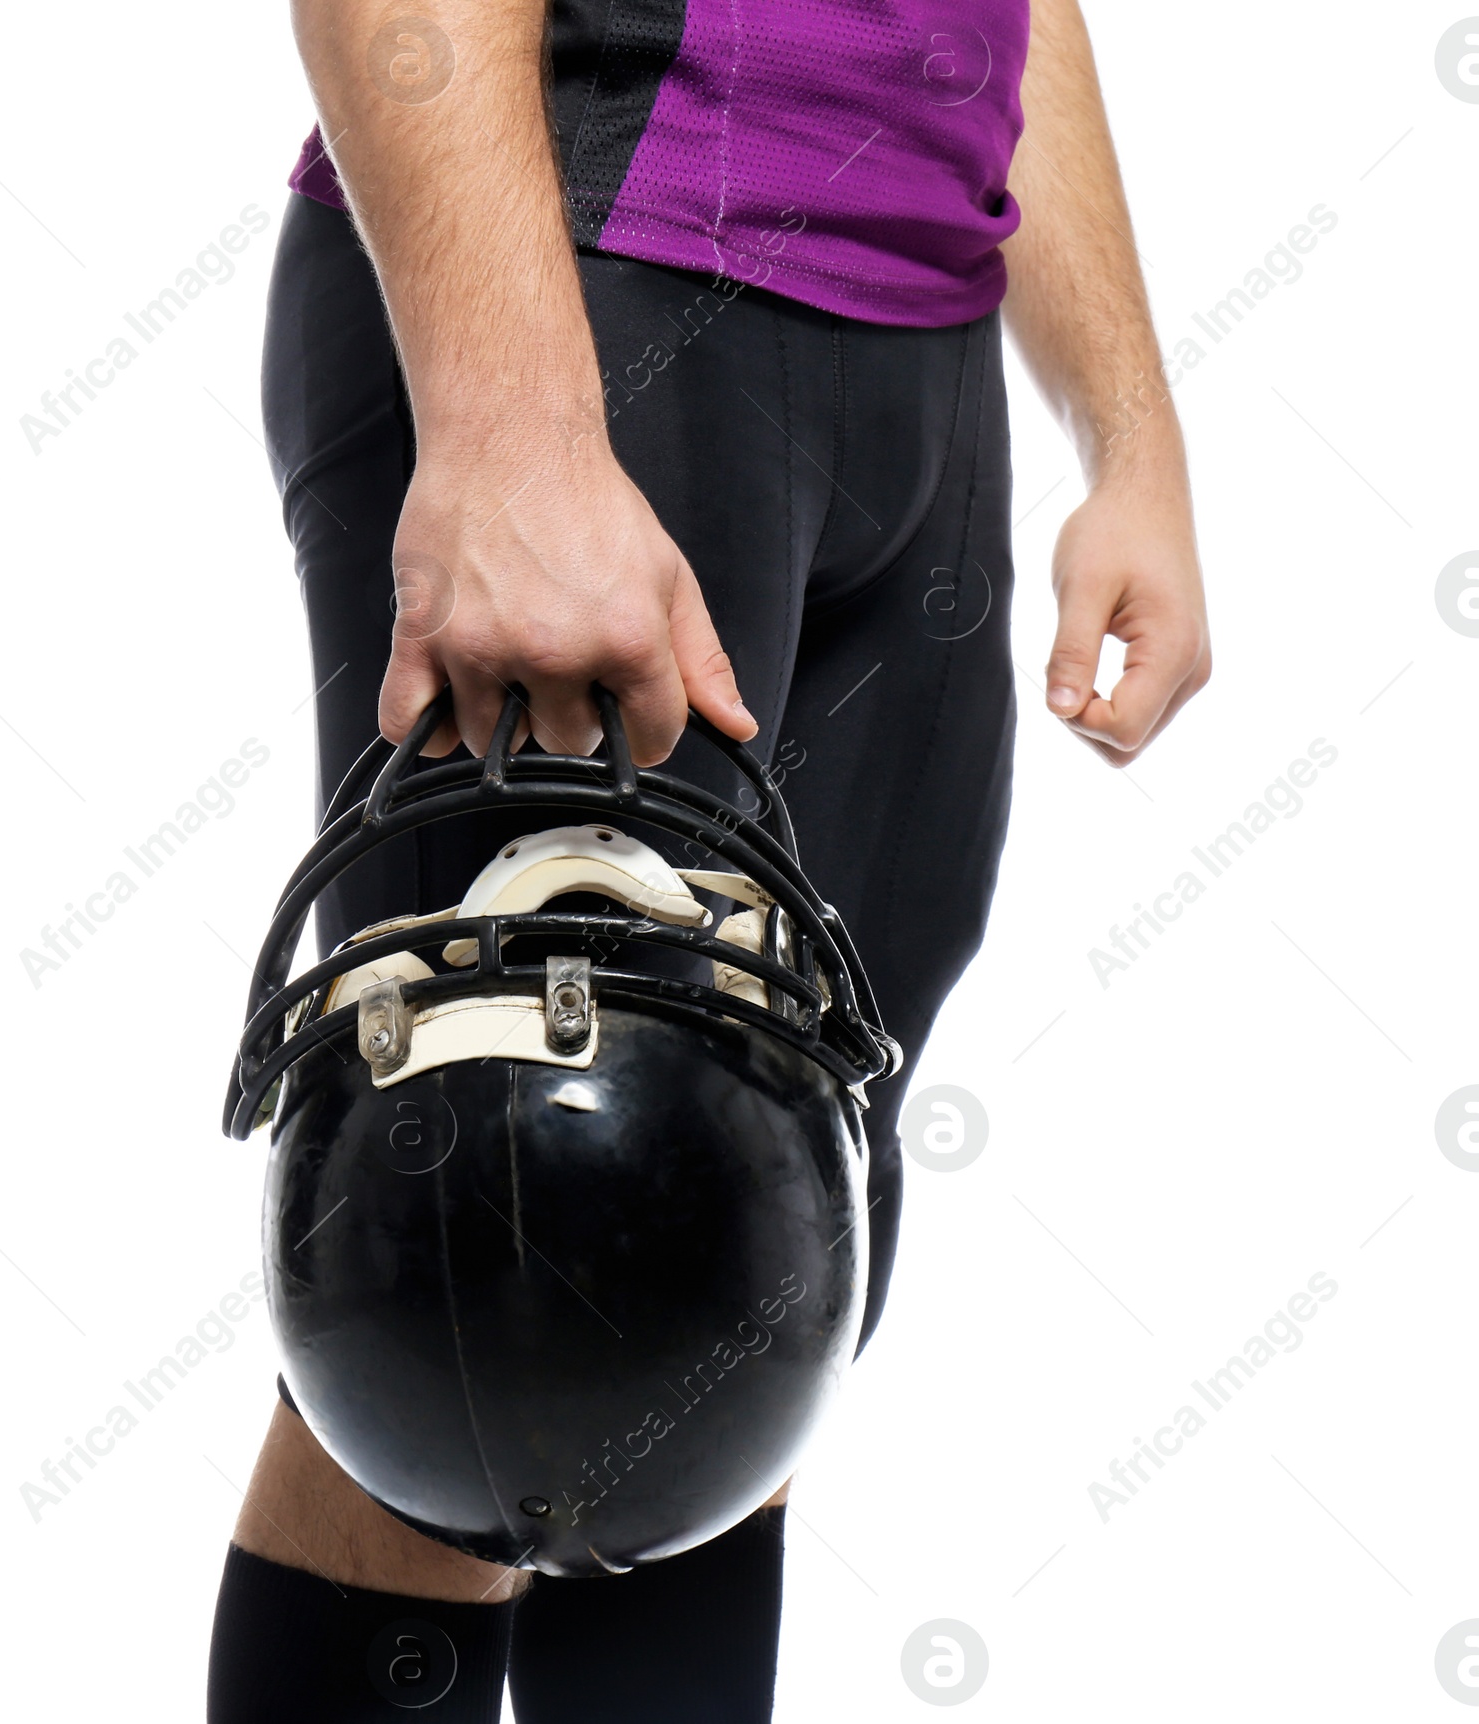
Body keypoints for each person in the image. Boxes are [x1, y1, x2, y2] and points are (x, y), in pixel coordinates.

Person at [207, 0, 1210, 1716]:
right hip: (597, 281)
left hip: (919, 345)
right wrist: (512, 427)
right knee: (511, 1274)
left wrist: (1134, 440)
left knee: (746, 1256)